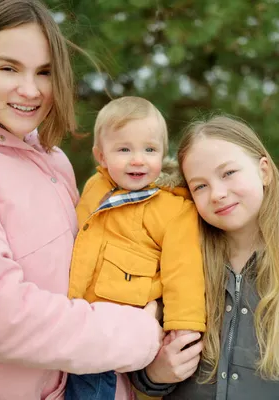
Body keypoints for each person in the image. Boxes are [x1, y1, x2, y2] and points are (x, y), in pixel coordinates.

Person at [0, 1, 163, 399]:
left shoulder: (53, 161)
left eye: (45, 72)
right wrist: (140, 337)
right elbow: (1, 318)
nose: (30, 90)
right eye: (8, 68)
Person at [131, 115, 279, 399]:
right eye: (200, 186)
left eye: (229, 173)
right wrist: (153, 374)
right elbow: (133, 348)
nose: (218, 194)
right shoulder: (176, 264)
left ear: (264, 171)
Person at [64, 96, 206, 400]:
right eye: (124, 149)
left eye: (150, 149)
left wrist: (184, 326)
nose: (138, 159)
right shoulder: (94, 189)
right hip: (79, 313)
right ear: (101, 156)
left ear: (163, 154)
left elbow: (184, 270)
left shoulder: (173, 209)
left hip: (122, 319)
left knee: (92, 384)